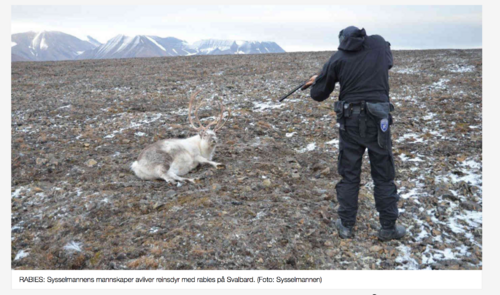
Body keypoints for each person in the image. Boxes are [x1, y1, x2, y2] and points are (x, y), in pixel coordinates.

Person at [302, 26, 406, 241]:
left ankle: (346, 225)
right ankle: (388, 227)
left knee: (349, 174)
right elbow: (388, 60)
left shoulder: (337, 58)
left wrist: (321, 77)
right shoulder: (378, 44)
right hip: (379, 121)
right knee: (384, 174)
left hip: (350, 121)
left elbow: (318, 94)